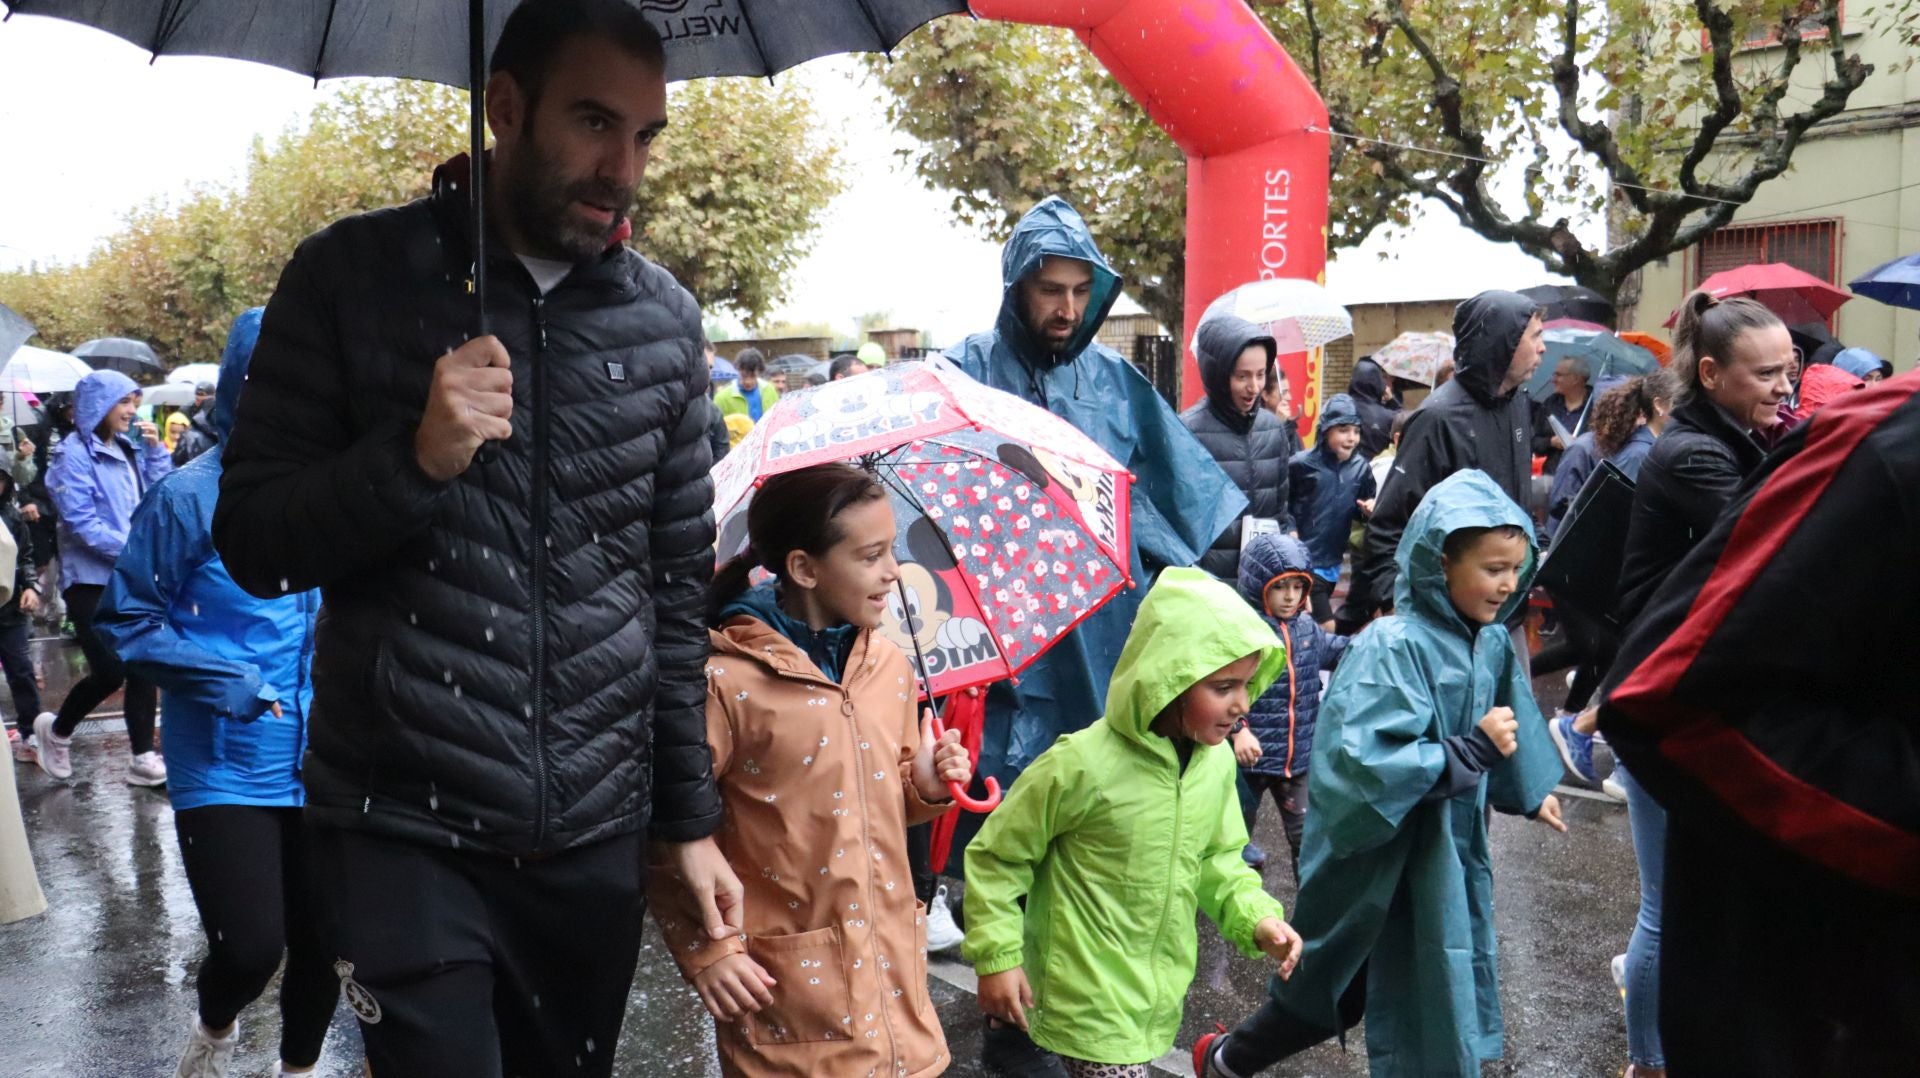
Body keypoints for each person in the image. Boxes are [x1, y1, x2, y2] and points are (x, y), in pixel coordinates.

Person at [210, 5, 735, 1074]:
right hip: (401, 823)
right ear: (504, 108)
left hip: (592, 837)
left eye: (644, 135)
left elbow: (678, 593)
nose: (621, 165)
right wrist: (412, 457)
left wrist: (685, 818)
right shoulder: (348, 277)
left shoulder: (666, 322)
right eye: (594, 122)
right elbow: (255, 536)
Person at [1600, 372, 1920, 1077]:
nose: (1784, 387)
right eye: (1769, 372)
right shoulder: (1882, 445)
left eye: (1789, 371)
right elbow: (1668, 696)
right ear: (1713, 375)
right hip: (1838, 1013)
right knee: (1653, 907)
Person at [1195, 471, 1566, 1078]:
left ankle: (1233, 1059)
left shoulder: (1490, 641)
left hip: (1442, 849)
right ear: (1441, 561)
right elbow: (1362, 766)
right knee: (1335, 981)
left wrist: (1530, 792)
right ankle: (1232, 1058)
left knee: (1435, 980)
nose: (1506, 583)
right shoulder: (1392, 646)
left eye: (1515, 568)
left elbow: (1512, 719)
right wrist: (1466, 752)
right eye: (1492, 567)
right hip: (1378, 857)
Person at [652, 463, 969, 1077]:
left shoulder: (890, 667)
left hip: (902, 1006)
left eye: (893, 552)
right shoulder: (725, 681)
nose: (893, 572)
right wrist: (710, 950)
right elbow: (670, 826)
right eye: (871, 555)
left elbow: (879, 795)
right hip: (791, 1005)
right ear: (804, 569)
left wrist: (923, 786)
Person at [92, 309, 338, 1078]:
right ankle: (215, 1027)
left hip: (329, 756)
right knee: (252, 945)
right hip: (225, 757)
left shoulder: (336, 490)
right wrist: (229, 680)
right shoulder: (188, 497)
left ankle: (297, 1071)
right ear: (246, 383)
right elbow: (126, 617)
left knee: (327, 946)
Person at [944, 195, 1241, 819]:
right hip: (996, 620)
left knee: (1096, 791)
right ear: (1016, 287)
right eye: (1052, 289)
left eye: (1082, 291)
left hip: (1102, 617)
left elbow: (1176, 511)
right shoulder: (964, 369)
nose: (1069, 309)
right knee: (999, 800)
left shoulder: (1115, 380)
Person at [965, 568, 1303, 1078]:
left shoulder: (1213, 765)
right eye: (1223, 686)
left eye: (1248, 683)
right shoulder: (1080, 764)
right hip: (1083, 997)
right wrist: (997, 958)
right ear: (1170, 679)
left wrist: (1256, 916)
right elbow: (998, 857)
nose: (1242, 704)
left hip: (1150, 999)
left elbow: (1217, 859)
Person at [1345, 291, 1544, 625]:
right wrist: (1394, 604)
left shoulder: (1518, 404)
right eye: (1535, 336)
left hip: (1507, 616)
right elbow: (1388, 525)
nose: (1543, 347)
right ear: (1504, 342)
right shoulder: (1439, 418)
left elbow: (1515, 501)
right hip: (1446, 621)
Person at [31, 369, 172, 785]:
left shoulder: (130, 449)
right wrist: (133, 549)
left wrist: (156, 453)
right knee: (111, 670)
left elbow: (159, 497)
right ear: (100, 406)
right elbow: (80, 522)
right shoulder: (71, 454)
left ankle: (143, 756)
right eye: (124, 402)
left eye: (134, 401)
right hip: (90, 580)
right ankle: (56, 731)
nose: (132, 410)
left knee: (142, 663)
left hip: (133, 575)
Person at [1233, 533, 1347, 878]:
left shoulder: (1305, 627)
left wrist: (1372, 643)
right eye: (1281, 587)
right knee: (1232, 835)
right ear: (1259, 585)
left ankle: (1312, 913)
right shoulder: (1242, 632)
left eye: (1298, 588)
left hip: (1295, 761)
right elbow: (1225, 689)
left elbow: (1334, 649)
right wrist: (1239, 732)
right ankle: (1239, 908)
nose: (1291, 597)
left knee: (1306, 837)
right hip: (1248, 760)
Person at [1181, 314, 1290, 580]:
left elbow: (1281, 514)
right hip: (1210, 590)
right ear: (1218, 375)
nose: (1254, 387)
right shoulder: (1187, 433)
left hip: (1264, 584)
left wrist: (1288, 571)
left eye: (1261, 375)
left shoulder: (1273, 430)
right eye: (1242, 376)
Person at [1287, 394, 1376, 628]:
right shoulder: (1300, 465)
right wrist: (1291, 530)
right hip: (1304, 560)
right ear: (1326, 431)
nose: (1351, 438)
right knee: (1327, 625)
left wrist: (1368, 512)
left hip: (1333, 563)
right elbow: (1282, 505)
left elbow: (1362, 508)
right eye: (1343, 430)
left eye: (1356, 431)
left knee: (1306, 626)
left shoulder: (1361, 469)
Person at [0, 458, 42, 765]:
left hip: (11, 610)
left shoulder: (12, 517)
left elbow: (26, 556)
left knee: (21, 670)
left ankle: (30, 730)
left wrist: (30, 587)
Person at [1531, 355, 1591, 474]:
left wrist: (1580, 445)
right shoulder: (1550, 404)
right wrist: (1551, 442)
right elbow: (1534, 442)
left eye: (1559, 375)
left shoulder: (1595, 405)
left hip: (1583, 476)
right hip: (1553, 474)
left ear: (1575, 379)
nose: (1553, 380)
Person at [1345, 357, 1401, 459]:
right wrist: (1393, 402)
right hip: (1375, 472)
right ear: (1378, 383)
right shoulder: (1388, 417)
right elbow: (1404, 425)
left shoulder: (1339, 409)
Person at [716, 348, 779, 423]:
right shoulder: (722, 398)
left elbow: (778, 419)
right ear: (738, 370)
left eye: (753, 376)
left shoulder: (770, 390)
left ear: (759, 372)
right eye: (744, 376)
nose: (748, 381)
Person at [172, 383, 220, 466]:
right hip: (188, 445)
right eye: (197, 394)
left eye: (202, 395)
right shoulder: (186, 409)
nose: (199, 397)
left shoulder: (217, 409)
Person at [1260, 370, 1304, 458]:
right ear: (1265, 396)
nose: (1289, 397)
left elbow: (1296, 461)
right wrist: (1279, 424)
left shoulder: (1289, 426)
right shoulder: (1254, 427)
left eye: (1288, 392)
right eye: (1284, 392)